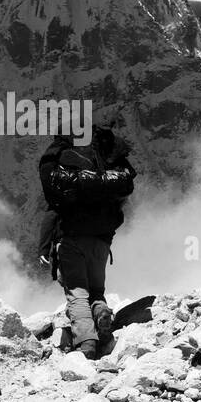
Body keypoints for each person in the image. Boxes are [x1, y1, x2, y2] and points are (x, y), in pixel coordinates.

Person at [38, 125, 135, 360]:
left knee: (77, 294)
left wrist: (44, 247)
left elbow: (52, 213)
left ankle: (87, 343)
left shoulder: (70, 183)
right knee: (96, 291)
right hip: (101, 244)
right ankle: (102, 315)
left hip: (72, 242)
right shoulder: (108, 181)